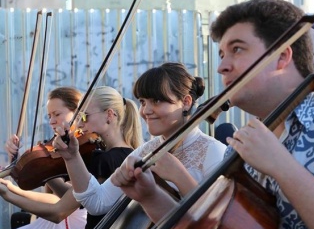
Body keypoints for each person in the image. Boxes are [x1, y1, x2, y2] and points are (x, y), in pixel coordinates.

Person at [111, 0, 314, 229]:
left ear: (282, 56)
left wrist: (283, 168)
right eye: (222, 54)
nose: (222, 67)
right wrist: (150, 197)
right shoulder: (241, 146)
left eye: (237, 49)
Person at [52, 62, 227, 219]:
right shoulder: (146, 151)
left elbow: (219, 218)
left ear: (186, 102)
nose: (146, 111)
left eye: (157, 101)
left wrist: (179, 176)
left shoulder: (214, 151)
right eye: (143, 102)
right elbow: (97, 203)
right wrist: (72, 157)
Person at [0, 86, 143, 229]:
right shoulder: (122, 155)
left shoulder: (106, 159)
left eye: (85, 116)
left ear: (110, 115)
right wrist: (43, 168)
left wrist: (8, 193)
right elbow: (72, 197)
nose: (80, 124)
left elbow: (58, 211)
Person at [0, 87, 87, 229]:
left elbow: (66, 201)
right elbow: (52, 198)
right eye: (49, 116)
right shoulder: (56, 149)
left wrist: (44, 170)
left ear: (77, 113)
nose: (52, 121)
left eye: (57, 114)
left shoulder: (84, 150)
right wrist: (16, 166)